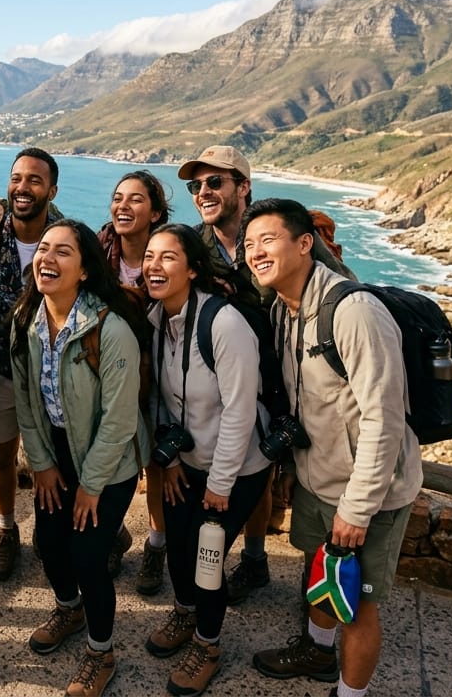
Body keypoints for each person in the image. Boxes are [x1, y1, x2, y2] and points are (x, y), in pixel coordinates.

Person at [241, 198, 422, 697]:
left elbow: (385, 419)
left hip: (371, 494)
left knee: (359, 606)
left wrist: (358, 510)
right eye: (250, 244)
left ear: (305, 244)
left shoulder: (354, 312)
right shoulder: (284, 309)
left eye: (268, 240)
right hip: (318, 479)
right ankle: (317, 652)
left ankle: (350, 692)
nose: (256, 252)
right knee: (322, 574)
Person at [177, 145, 354, 605]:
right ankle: (255, 561)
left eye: (215, 182)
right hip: (234, 381)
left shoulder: (278, 232)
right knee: (253, 468)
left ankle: (315, 595)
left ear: (243, 187)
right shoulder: (196, 244)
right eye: (196, 185)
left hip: (298, 377)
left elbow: (340, 291)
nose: (203, 192)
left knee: (297, 477)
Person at [9, 220, 150, 697]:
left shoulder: (110, 329)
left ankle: (100, 652)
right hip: (56, 453)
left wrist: (91, 486)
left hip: (108, 461)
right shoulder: (25, 320)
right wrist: (41, 464)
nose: (47, 258)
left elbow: (119, 420)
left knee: (89, 557)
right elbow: (27, 403)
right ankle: (70, 609)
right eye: (43, 249)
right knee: (49, 545)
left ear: (85, 270)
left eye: (63, 252)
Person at [139, 224, 272, 696]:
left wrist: (221, 481)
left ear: (193, 269)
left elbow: (240, 409)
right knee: (178, 545)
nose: (154, 266)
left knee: (206, 558)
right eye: (149, 256)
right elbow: (161, 398)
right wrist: (172, 459)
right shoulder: (157, 319)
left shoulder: (223, 324)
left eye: (167, 257)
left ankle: (207, 644)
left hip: (238, 467)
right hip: (187, 462)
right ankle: (185, 611)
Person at [0, 146, 62, 583]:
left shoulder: (67, 237)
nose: (22, 187)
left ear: (52, 190)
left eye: (34, 180)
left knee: (62, 455)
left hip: (55, 369)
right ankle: (7, 531)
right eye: (16, 178)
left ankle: (61, 532)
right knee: (2, 456)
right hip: (1, 368)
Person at [97, 170, 172, 595]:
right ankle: (114, 534)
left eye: (136, 199)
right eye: (118, 197)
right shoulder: (97, 252)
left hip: (162, 371)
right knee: (110, 457)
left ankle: (156, 546)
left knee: (156, 463)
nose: (123, 205)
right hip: (111, 373)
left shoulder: (169, 253)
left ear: (156, 213)